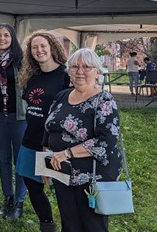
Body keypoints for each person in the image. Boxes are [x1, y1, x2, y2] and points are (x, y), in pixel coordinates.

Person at [43, 48, 122, 232]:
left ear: (97, 71)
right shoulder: (61, 96)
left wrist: (67, 153)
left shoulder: (103, 100)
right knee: (69, 224)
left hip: (93, 176)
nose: (79, 71)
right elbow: (48, 131)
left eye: (86, 67)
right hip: (62, 172)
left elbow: (106, 141)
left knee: (93, 226)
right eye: (74, 67)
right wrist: (45, 165)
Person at [17, 31, 70, 232]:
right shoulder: (31, 77)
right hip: (31, 139)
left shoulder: (66, 76)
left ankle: (70, 226)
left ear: (52, 47)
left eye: (43, 46)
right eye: (34, 47)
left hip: (56, 144)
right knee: (33, 186)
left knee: (63, 190)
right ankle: (47, 225)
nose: (39, 50)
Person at [0, 23, 27, 219]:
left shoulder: (22, 60)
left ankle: (19, 200)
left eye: (6, 35)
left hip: (18, 116)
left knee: (20, 159)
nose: (2, 38)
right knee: (3, 158)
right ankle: (7, 197)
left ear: (12, 38)